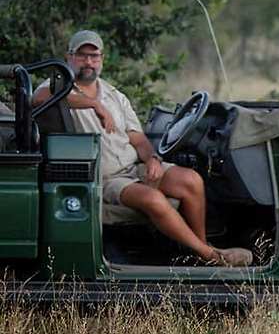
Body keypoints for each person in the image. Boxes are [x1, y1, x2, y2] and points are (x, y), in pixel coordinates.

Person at [33, 30, 252, 267]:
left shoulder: (115, 95)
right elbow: (38, 99)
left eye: (94, 56)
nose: (89, 62)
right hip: (104, 179)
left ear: (102, 59)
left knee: (191, 180)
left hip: (132, 167)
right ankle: (212, 256)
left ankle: (199, 251)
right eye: (82, 56)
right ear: (69, 57)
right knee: (154, 199)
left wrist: (152, 161)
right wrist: (92, 104)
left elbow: (137, 139)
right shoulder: (58, 87)